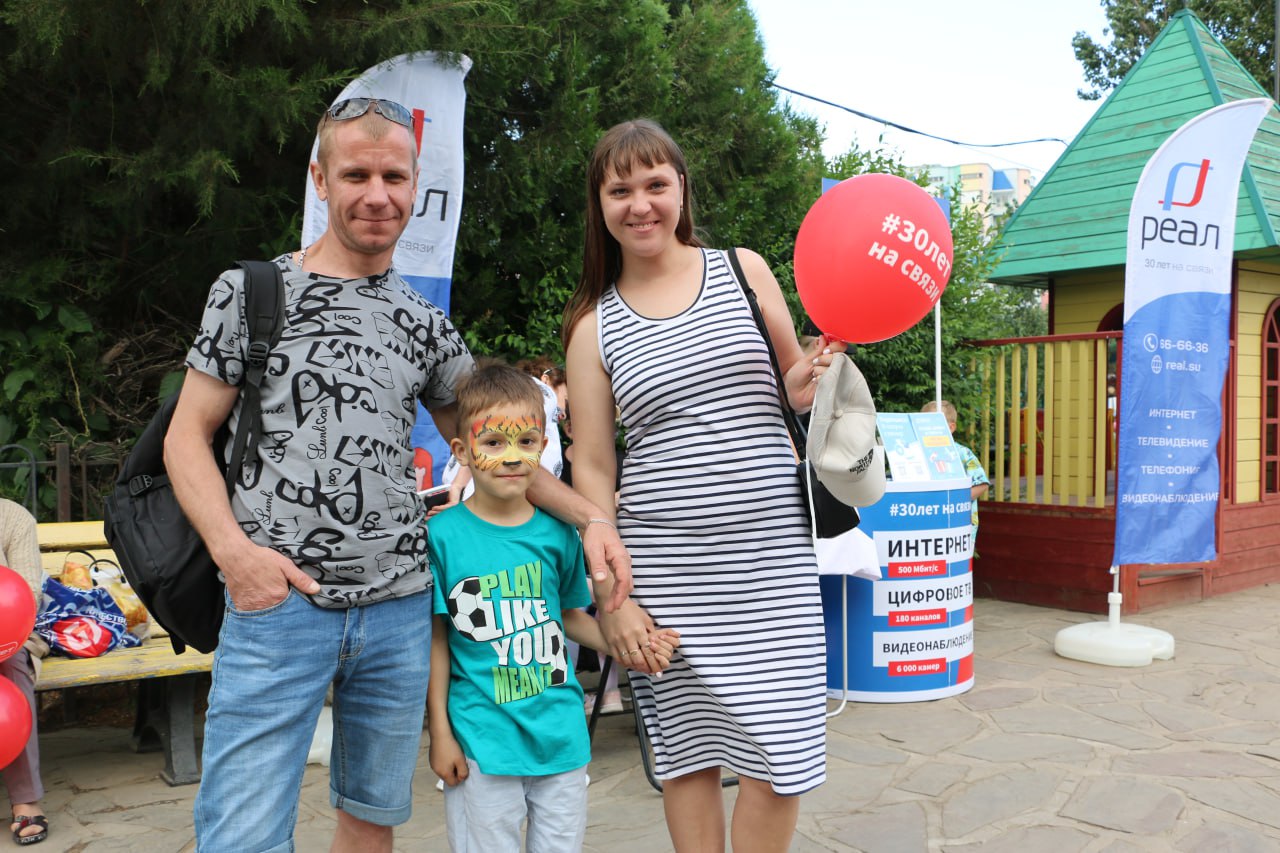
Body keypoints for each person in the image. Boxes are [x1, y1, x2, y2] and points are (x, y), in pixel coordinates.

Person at [165, 97, 632, 853]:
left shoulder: (424, 322)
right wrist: (235, 554)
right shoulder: (251, 293)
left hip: (398, 610)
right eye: (356, 173)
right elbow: (186, 438)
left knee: (371, 818)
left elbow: (496, 455)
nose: (376, 193)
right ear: (321, 178)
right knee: (241, 830)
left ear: (415, 185)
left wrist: (592, 519)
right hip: (278, 604)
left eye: (394, 175)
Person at [562, 118, 845, 852]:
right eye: (620, 189)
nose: (640, 203)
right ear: (600, 206)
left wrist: (810, 377)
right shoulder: (594, 325)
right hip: (668, 567)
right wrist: (612, 596)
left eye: (655, 183)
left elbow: (791, 382)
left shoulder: (744, 270)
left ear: (682, 188)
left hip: (773, 560)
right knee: (689, 757)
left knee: (782, 759)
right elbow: (592, 466)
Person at [426, 362, 678, 851]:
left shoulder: (560, 533)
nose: (511, 457)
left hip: (562, 739)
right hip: (482, 741)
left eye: (525, 442)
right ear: (462, 452)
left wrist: (632, 644)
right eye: (493, 442)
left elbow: (565, 617)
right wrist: (440, 730)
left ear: (544, 448)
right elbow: (437, 639)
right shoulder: (441, 537)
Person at [1, 499, 48, 846]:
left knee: (12, 667)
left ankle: (25, 797)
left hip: (8, 634)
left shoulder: (13, 518)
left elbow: (27, 593)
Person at [921, 400, 990, 530]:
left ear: (951, 427)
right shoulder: (921, 454)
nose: (928, 429)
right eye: (924, 425)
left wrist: (953, 501)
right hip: (931, 520)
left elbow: (981, 484)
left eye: (933, 424)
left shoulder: (963, 454)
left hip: (960, 525)